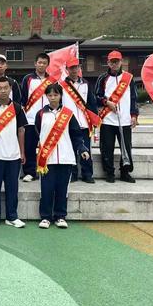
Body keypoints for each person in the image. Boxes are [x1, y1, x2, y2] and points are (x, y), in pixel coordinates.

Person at [35, 83, 90, 229]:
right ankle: (45, 217)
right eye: (50, 95)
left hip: (65, 157)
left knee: (62, 189)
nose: (53, 98)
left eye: (56, 95)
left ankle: (60, 216)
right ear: (46, 96)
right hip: (47, 159)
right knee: (46, 188)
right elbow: (37, 133)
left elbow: (76, 135)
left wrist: (82, 148)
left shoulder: (68, 114)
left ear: (60, 95)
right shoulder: (41, 114)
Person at [0, 77, 27, 229]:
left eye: (5, 88)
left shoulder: (17, 108)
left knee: (12, 187)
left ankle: (12, 216)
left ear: (10, 89)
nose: (3, 90)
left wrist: (22, 152)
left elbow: (21, 130)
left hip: (13, 154)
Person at [95, 50, 138, 183]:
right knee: (107, 148)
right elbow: (96, 96)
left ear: (121, 62)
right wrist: (106, 102)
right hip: (107, 120)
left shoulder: (129, 78)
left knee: (126, 147)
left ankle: (125, 172)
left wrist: (134, 115)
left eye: (117, 61)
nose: (114, 64)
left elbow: (134, 98)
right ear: (108, 62)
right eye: (112, 61)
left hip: (124, 120)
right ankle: (109, 173)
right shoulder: (102, 78)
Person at [61, 57, 99, 183]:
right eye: (71, 68)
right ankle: (72, 173)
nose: (74, 70)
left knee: (86, 149)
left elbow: (91, 104)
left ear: (79, 68)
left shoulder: (86, 84)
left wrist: (94, 119)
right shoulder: (61, 86)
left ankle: (87, 174)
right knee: (70, 150)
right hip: (68, 123)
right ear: (67, 69)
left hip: (84, 122)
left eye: (76, 67)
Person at [20, 53, 55, 182]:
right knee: (29, 146)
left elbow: (55, 97)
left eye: (44, 63)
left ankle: (47, 170)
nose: (41, 65)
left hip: (48, 118)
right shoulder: (27, 79)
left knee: (48, 145)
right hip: (30, 118)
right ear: (35, 63)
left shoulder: (52, 80)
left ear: (47, 65)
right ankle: (30, 172)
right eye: (39, 62)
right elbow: (22, 98)